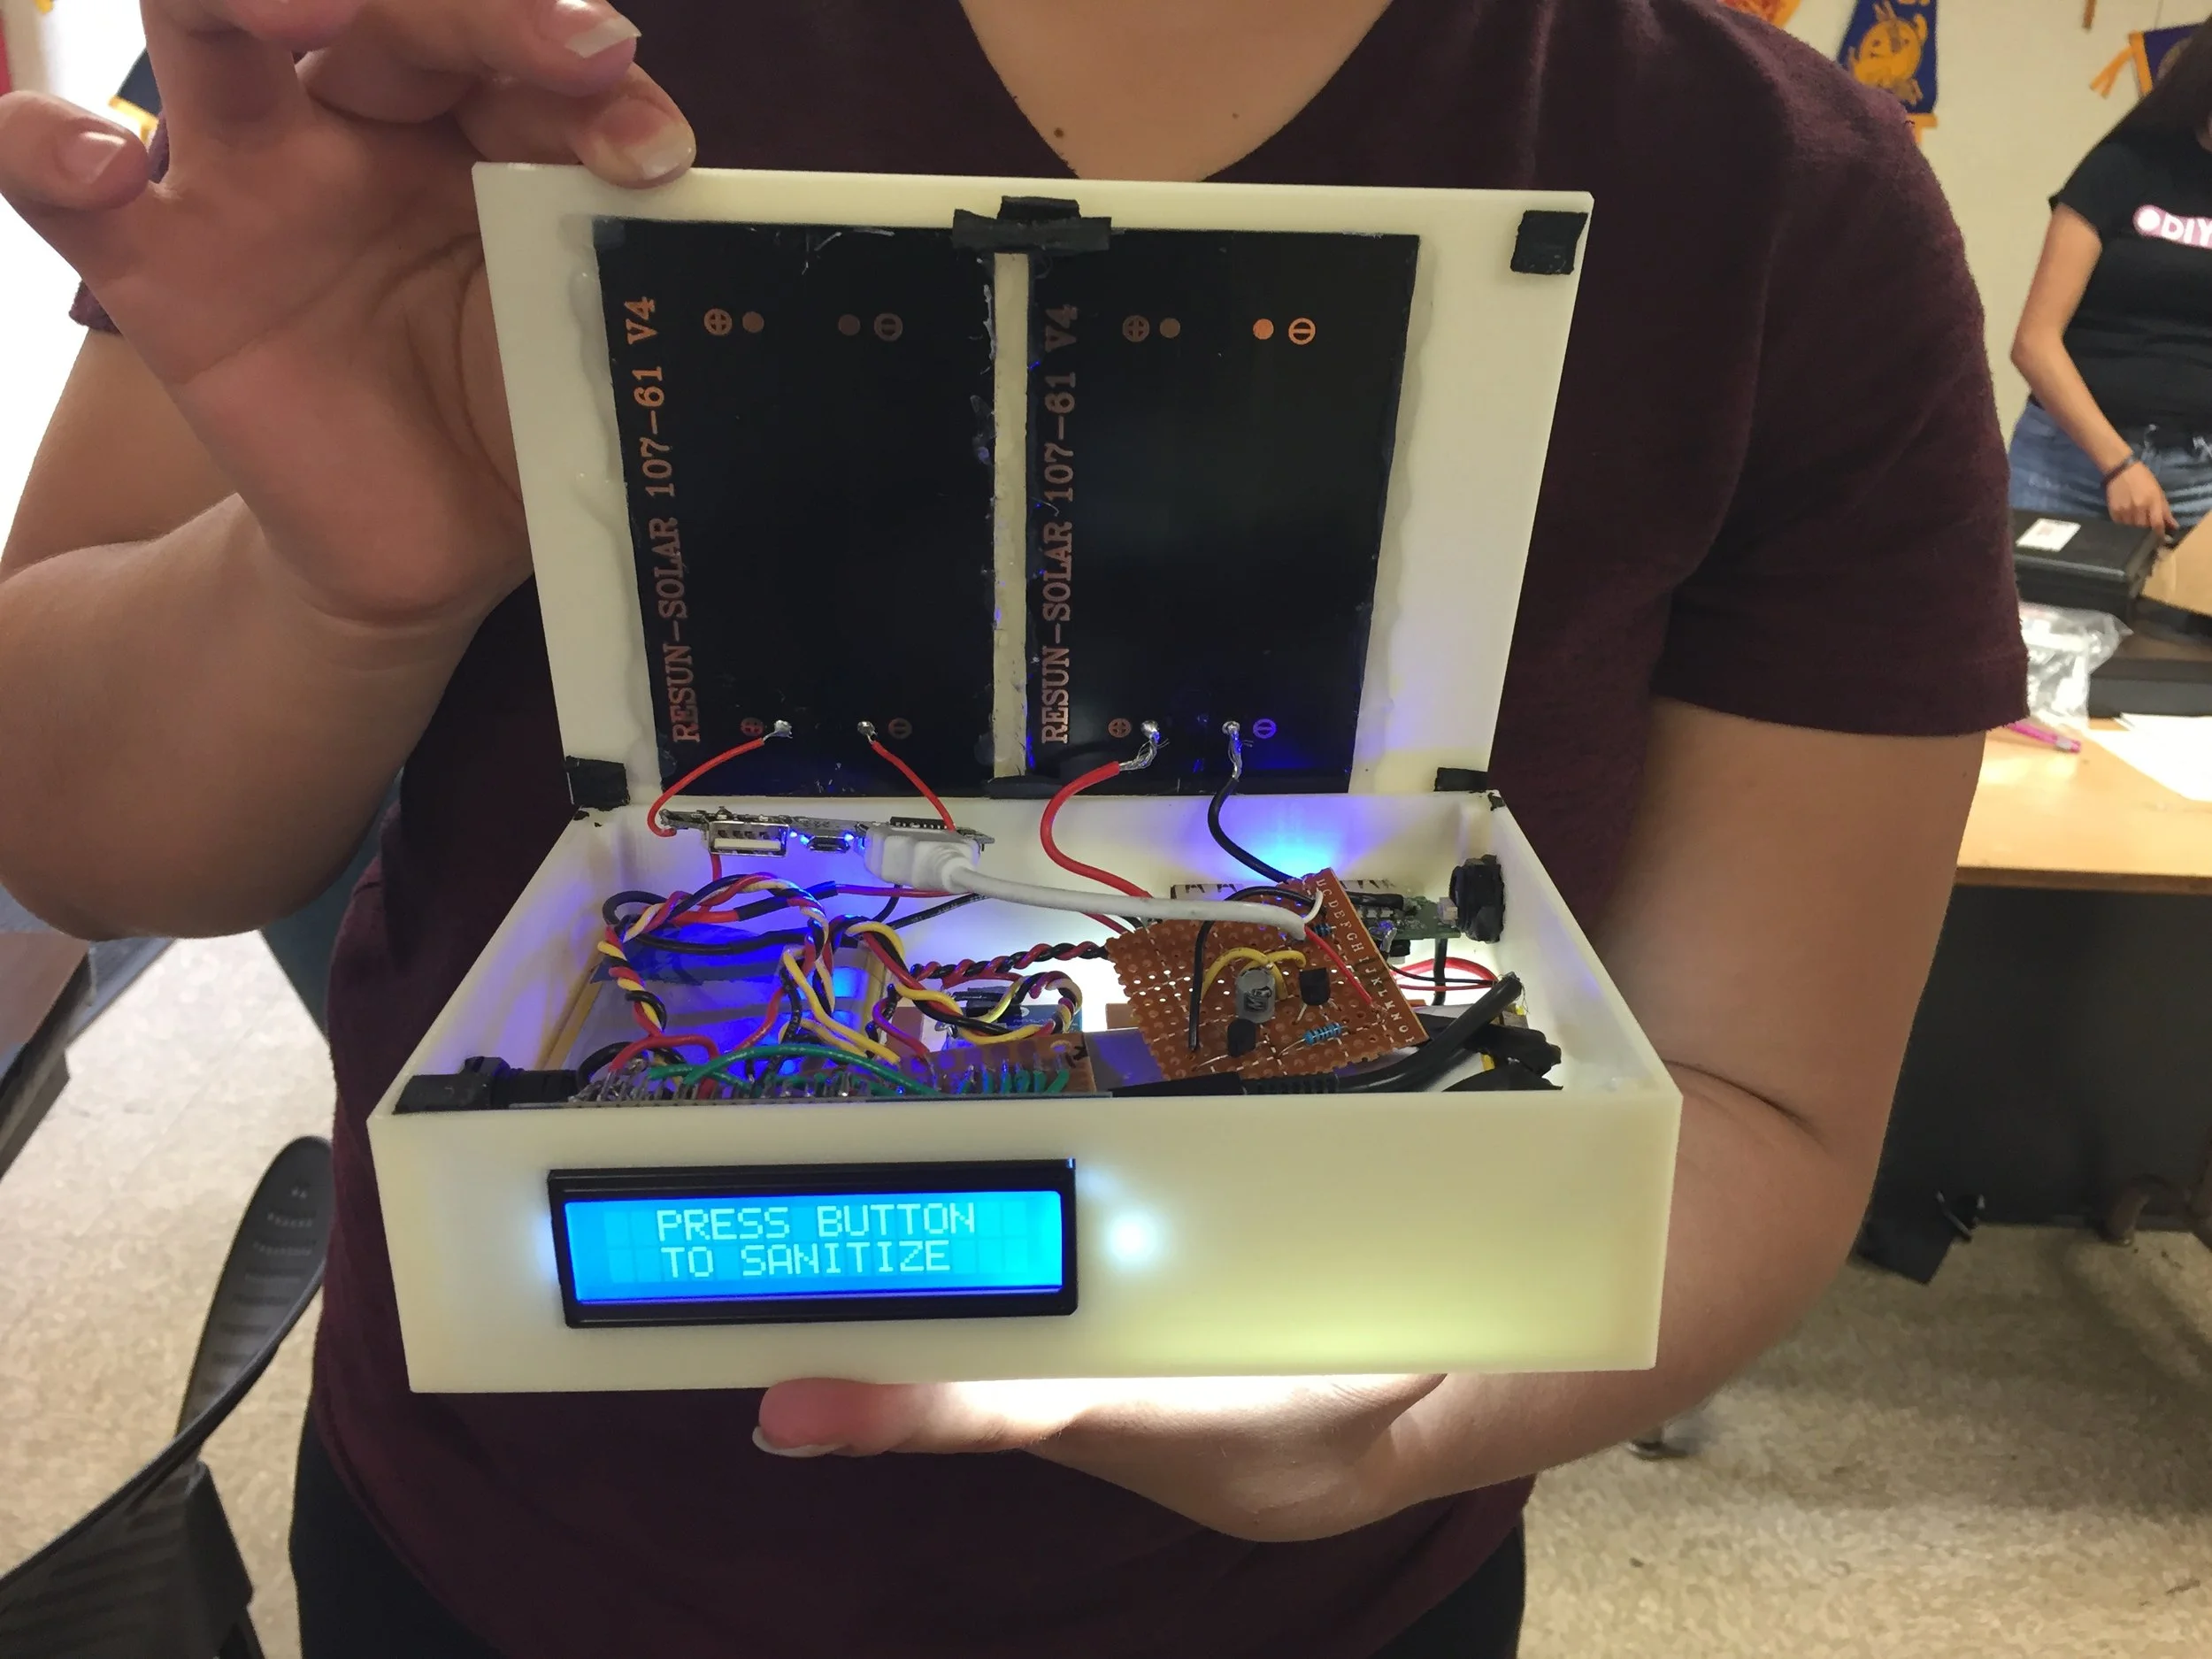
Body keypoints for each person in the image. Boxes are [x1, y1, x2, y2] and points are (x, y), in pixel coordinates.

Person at [0, 2, 2024, 1655]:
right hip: (485, 1549)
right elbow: (73, 833)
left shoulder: (1780, 196)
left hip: (1331, 1602)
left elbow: (1760, 1103)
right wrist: (334, 587)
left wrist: (1415, 1418)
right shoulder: (397, 60)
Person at [2011, 23, 2212, 537]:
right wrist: (2119, 465)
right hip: (2065, 466)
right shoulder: (2124, 165)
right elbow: (2034, 343)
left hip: (2202, 483)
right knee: (2026, 618)